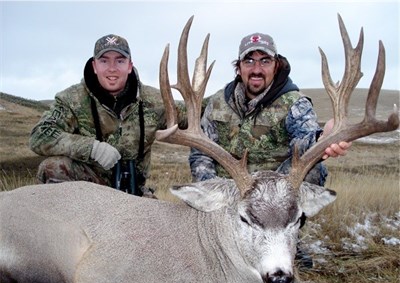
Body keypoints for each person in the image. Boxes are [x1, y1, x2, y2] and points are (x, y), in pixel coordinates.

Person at [188, 33, 351, 268]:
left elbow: (303, 141)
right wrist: (211, 190)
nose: (256, 68)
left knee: (314, 169)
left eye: (265, 61)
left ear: (276, 65)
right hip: (233, 191)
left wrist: (322, 139)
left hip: (276, 194)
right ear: (239, 67)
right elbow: (201, 151)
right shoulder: (217, 103)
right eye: (249, 61)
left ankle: (284, 238)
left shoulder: (294, 103)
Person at [29, 34, 186, 197]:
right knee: (53, 167)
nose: (112, 68)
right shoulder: (71, 100)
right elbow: (40, 135)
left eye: (120, 61)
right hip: (87, 189)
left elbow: (196, 113)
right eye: (104, 61)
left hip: (135, 192)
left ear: (130, 66)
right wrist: (92, 148)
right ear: (94, 66)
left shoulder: (155, 101)